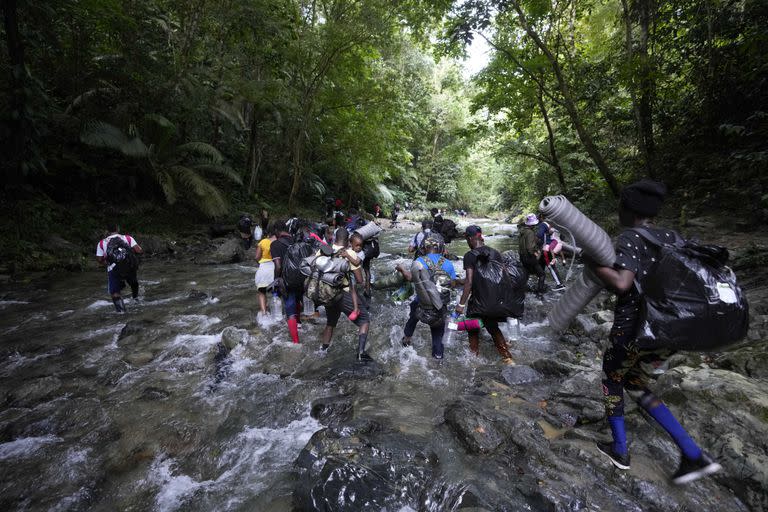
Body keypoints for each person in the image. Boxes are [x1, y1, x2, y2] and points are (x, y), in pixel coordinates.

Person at [587, 179, 722, 484]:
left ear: (630, 209)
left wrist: (594, 264)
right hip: (668, 332)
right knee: (635, 383)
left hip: (634, 329)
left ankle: (620, 450)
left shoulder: (631, 237)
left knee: (612, 381)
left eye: (620, 206)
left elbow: (622, 283)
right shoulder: (672, 238)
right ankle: (692, 453)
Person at [455, 226, 515, 364]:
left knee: (472, 328)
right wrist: (457, 281)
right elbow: (502, 277)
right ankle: (508, 358)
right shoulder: (495, 253)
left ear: (470, 238)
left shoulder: (470, 255)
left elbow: (469, 282)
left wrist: (461, 304)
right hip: (495, 300)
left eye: (466, 239)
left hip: (479, 301)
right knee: (493, 327)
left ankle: (473, 359)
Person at [397, 234, 457, 359]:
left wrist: (402, 269)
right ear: (441, 248)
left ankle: (406, 340)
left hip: (421, 304)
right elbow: (452, 284)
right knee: (437, 335)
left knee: (412, 318)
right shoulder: (448, 264)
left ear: (424, 248)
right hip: (439, 307)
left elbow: (411, 278)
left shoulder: (419, 261)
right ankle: (438, 357)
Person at [320, 228, 371, 360]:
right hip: (343, 294)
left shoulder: (323, 250)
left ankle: (323, 350)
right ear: (349, 241)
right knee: (364, 320)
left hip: (327, 292)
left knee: (330, 322)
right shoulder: (349, 253)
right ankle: (361, 354)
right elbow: (360, 280)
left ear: (335, 238)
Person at [96, 223, 143, 313]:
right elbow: (139, 250)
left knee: (115, 292)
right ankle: (135, 299)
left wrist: (108, 262)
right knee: (134, 283)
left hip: (113, 269)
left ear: (107, 231)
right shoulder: (128, 238)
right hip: (129, 266)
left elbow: (99, 259)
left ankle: (122, 313)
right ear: (118, 229)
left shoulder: (102, 243)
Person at [271, 220, 303, 344]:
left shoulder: (275, 245)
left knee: (289, 309)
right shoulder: (296, 240)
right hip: (301, 277)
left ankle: (296, 342)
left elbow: (278, 266)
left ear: (276, 231)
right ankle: (299, 323)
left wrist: (276, 280)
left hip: (287, 280)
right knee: (298, 300)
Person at [519, 213, 547, 295]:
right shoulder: (530, 232)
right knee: (542, 275)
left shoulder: (522, 231)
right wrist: (536, 254)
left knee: (526, 274)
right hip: (529, 257)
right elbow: (530, 248)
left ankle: (522, 290)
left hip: (522, 257)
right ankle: (540, 293)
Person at [536, 214, 565, 291]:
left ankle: (560, 284)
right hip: (548, 248)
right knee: (541, 265)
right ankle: (540, 284)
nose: (537, 219)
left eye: (538, 218)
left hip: (546, 249)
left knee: (550, 266)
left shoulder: (543, 224)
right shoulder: (550, 224)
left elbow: (539, 235)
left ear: (541, 218)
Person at [254, 225, 277, 319]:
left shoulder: (263, 242)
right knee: (275, 292)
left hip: (264, 268)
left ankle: (264, 314)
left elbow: (256, 257)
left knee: (262, 291)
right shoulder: (278, 242)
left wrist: (259, 263)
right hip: (275, 268)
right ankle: (277, 312)